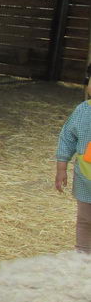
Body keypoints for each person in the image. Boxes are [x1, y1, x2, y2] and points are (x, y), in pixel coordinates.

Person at [55, 63, 91, 253]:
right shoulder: (83, 111)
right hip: (86, 180)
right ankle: (82, 256)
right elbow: (67, 138)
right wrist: (61, 168)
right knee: (85, 220)